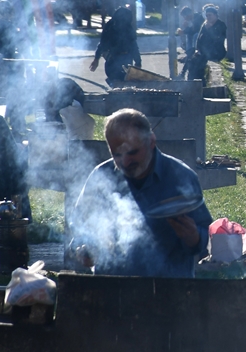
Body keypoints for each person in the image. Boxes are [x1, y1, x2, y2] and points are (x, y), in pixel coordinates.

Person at [69, 109, 212, 277]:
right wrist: (84, 250)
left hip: (170, 289)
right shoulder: (101, 176)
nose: (125, 162)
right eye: (117, 154)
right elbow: (79, 228)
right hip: (112, 288)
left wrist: (194, 237)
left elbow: (209, 238)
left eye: (132, 152)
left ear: (151, 141)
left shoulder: (180, 177)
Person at [90, 4, 141, 86]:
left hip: (126, 58)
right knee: (117, 82)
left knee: (126, 83)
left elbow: (133, 46)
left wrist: (138, 63)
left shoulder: (128, 28)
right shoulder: (110, 27)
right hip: (112, 59)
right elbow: (102, 44)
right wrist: (96, 59)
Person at [185, 4, 227, 80]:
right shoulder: (204, 24)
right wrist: (197, 49)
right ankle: (191, 82)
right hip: (203, 51)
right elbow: (198, 39)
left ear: (215, 15)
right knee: (191, 60)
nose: (208, 17)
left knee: (200, 64)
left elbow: (217, 39)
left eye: (210, 15)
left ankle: (201, 81)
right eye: (207, 16)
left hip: (215, 51)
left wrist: (209, 29)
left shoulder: (221, 25)